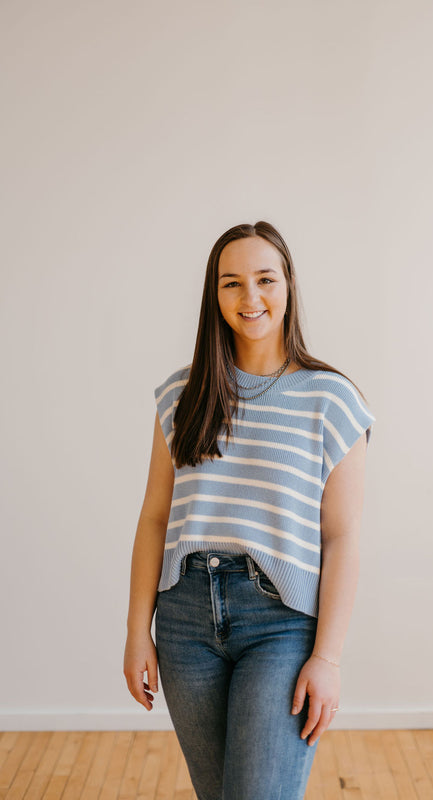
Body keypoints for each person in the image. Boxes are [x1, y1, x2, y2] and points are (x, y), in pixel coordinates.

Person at [123, 220, 376, 800]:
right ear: (215, 295)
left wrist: (329, 659)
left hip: (281, 623)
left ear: (288, 286)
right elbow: (154, 519)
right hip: (185, 619)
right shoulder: (181, 394)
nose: (250, 298)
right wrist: (138, 632)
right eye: (232, 283)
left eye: (265, 279)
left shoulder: (332, 400)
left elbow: (342, 538)